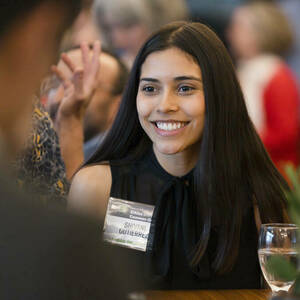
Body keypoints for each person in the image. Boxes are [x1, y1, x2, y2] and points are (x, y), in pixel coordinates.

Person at [69, 21, 288, 290]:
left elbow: (281, 291)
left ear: (220, 95)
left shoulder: (257, 192)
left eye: (185, 88)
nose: (165, 105)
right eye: (150, 88)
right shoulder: (100, 186)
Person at [0, 0, 139, 298]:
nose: (67, 92)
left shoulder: (129, 171)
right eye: (57, 79)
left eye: (87, 82)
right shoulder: (41, 131)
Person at [227, 1, 300, 173]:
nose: (230, 33)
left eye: (238, 27)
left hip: (273, 172)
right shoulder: (246, 69)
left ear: (259, 34)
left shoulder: (276, 75)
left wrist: (242, 143)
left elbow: (286, 133)